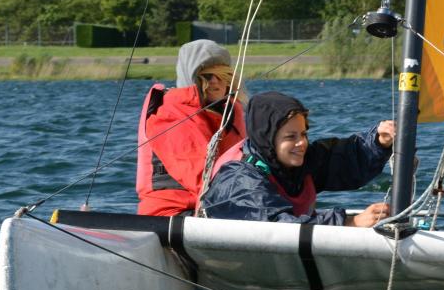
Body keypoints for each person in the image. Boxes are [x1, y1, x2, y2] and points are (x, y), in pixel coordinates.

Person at [201, 91, 394, 226]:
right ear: (267, 139)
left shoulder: (298, 161)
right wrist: (350, 222)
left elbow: (346, 159)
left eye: (303, 134)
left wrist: (379, 141)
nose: (301, 143)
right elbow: (274, 225)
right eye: (290, 137)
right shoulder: (239, 179)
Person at [136, 40, 245, 216]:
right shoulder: (171, 114)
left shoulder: (227, 112)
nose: (215, 81)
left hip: (211, 207)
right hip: (171, 213)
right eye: (207, 76)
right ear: (192, 78)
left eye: (222, 74)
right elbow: (202, 178)